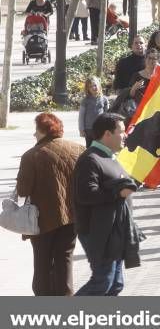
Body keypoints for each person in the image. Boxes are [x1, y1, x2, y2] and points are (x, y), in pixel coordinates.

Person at [72, 113, 141, 296]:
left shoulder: (109, 156)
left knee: (115, 284)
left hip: (114, 230)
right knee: (103, 282)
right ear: (107, 134)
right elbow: (86, 194)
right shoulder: (90, 159)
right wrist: (117, 193)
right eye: (121, 131)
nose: (125, 135)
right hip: (97, 231)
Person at [15, 113, 84, 295]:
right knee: (65, 259)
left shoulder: (31, 155)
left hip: (42, 219)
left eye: (36, 130)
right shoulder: (78, 149)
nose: (34, 134)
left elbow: (23, 190)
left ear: (44, 131)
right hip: (72, 216)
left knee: (42, 262)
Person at [78, 76, 109, 148]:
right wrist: (81, 129)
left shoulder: (104, 99)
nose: (94, 88)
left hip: (100, 128)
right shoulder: (85, 101)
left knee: (100, 147)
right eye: (91, 87)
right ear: (88, 89)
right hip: (89, 129)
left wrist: (107, 126)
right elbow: (81, 116)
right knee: (89, 147)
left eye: (95, 85)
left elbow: (107, 114)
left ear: (99, 85)